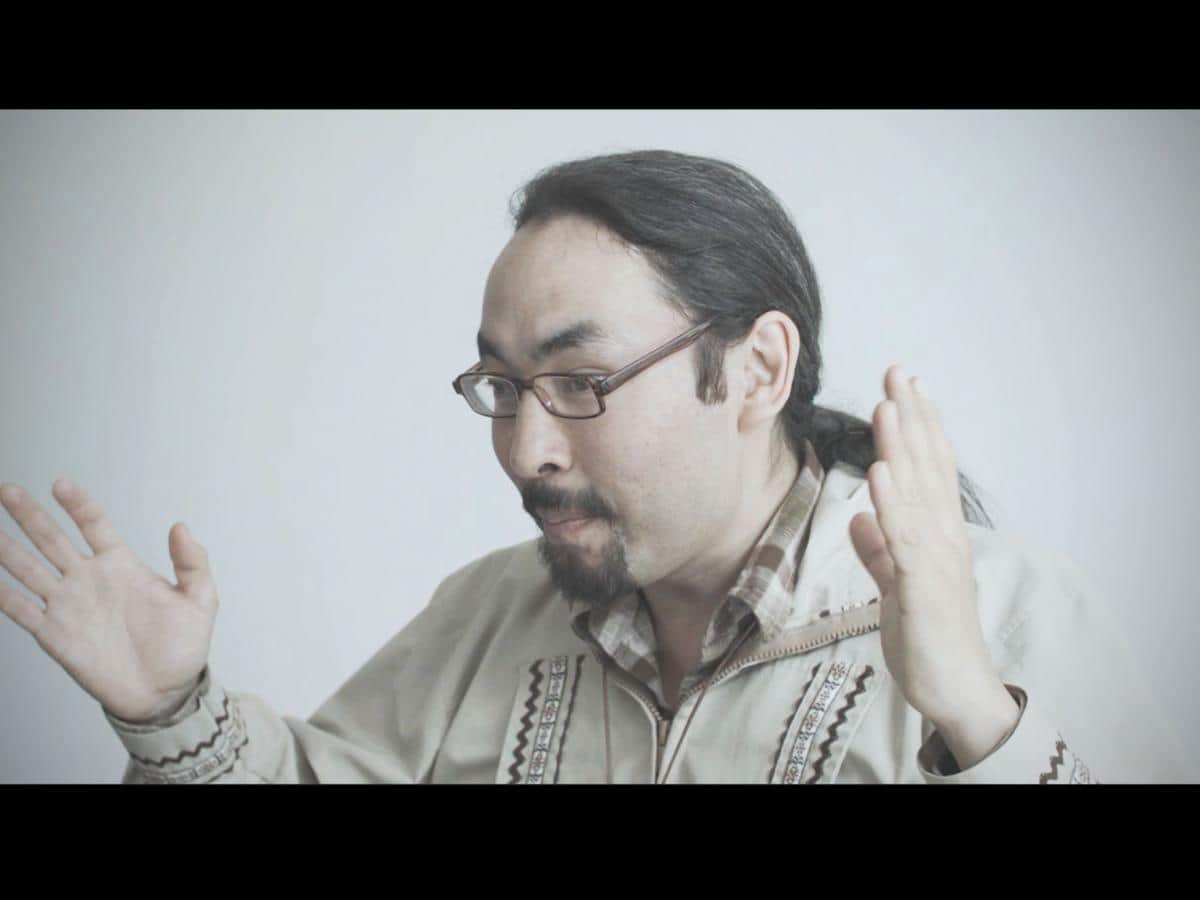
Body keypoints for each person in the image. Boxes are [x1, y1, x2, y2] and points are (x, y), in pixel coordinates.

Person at [0, 150, 1188, 783]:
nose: (526, 449)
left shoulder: (1008, 612)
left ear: (758, 369)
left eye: (582, 382)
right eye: (502, 387)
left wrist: (975, 716)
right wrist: (170, 711)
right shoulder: (486, 618)